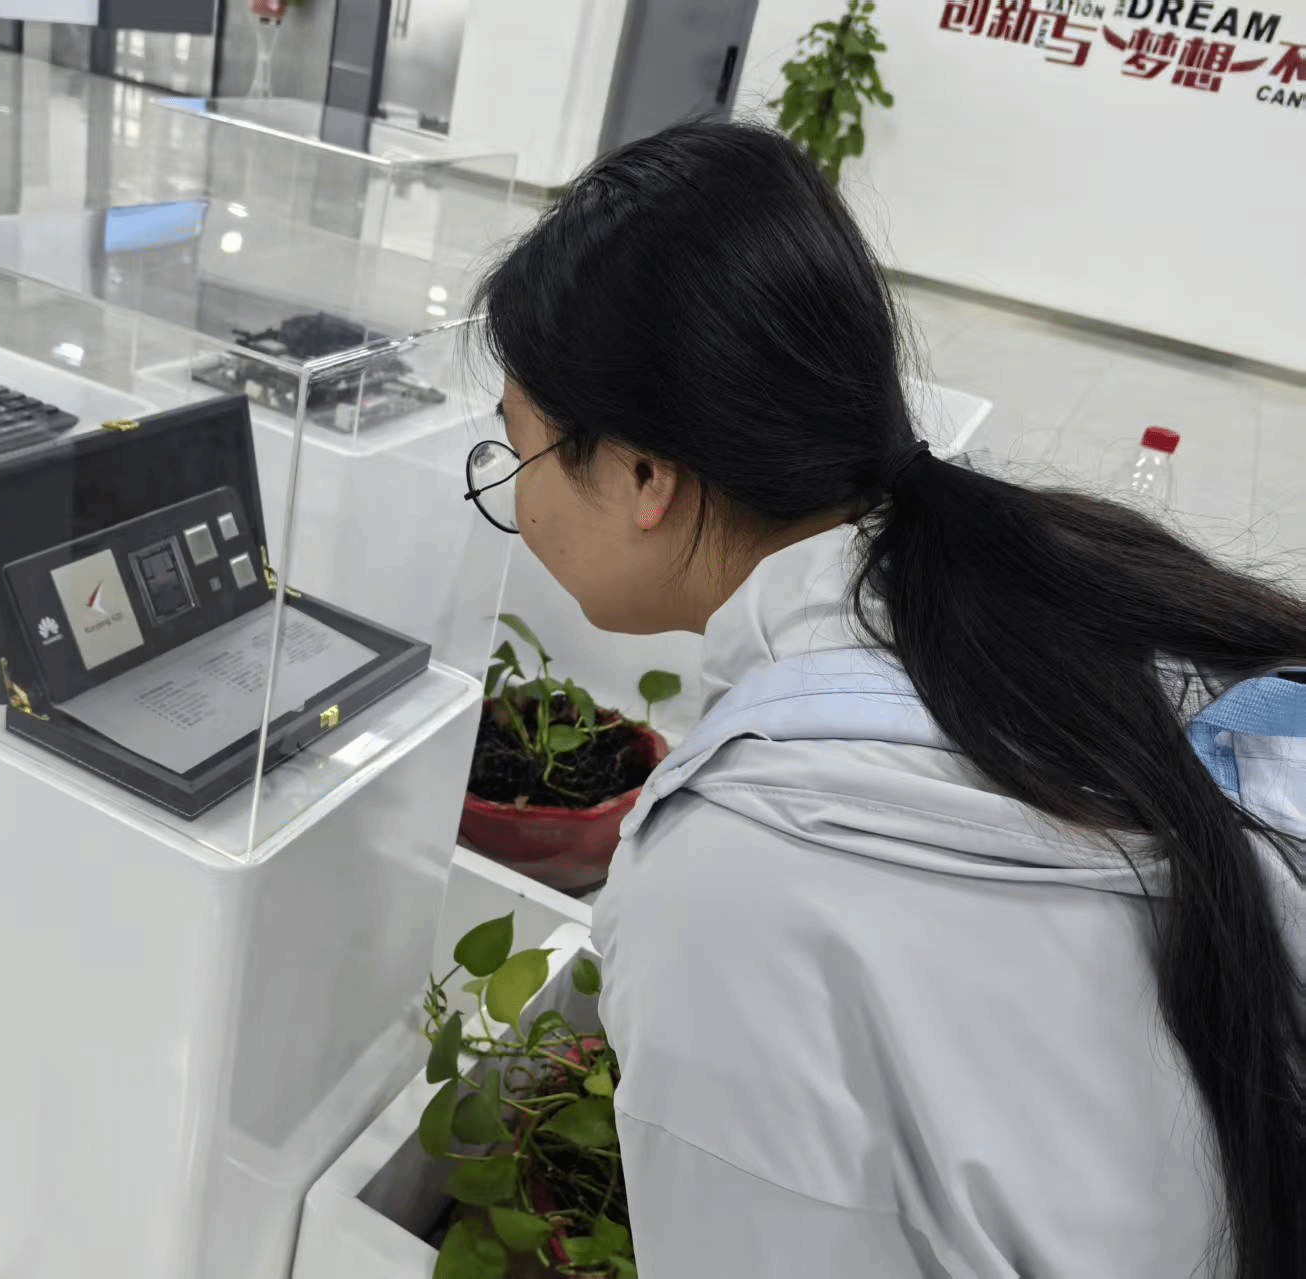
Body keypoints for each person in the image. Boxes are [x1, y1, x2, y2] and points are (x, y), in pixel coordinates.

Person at [463, 120, 1306, 1278]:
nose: (515, 501)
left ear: (644, 473)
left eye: (516, 453)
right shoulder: (1066, 586)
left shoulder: (730, 884)